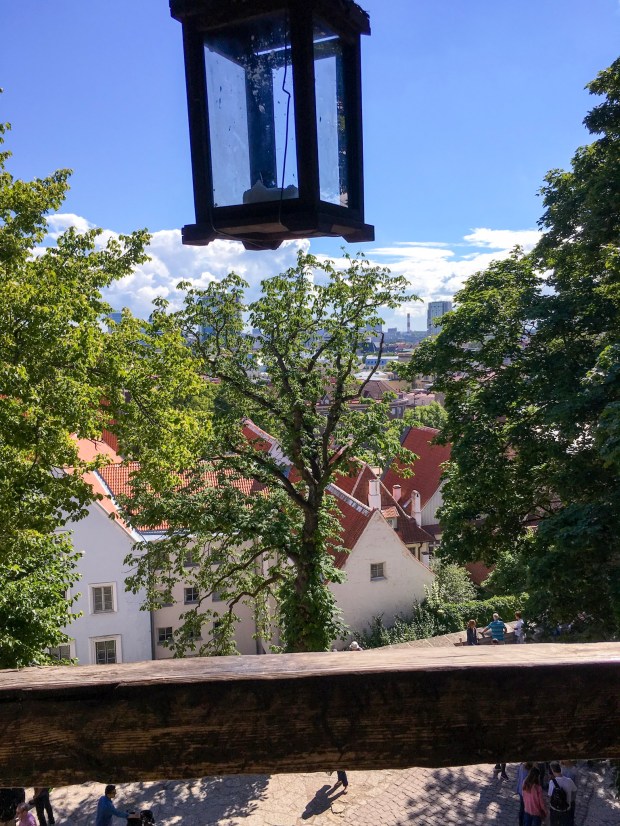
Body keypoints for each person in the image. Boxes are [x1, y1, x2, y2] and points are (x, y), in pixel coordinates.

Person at [560, 761, 579, 826]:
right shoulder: (574, 771)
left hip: (563, 797)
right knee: (570, 815)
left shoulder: (562, 769)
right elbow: (576, 787)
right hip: (570, 798)